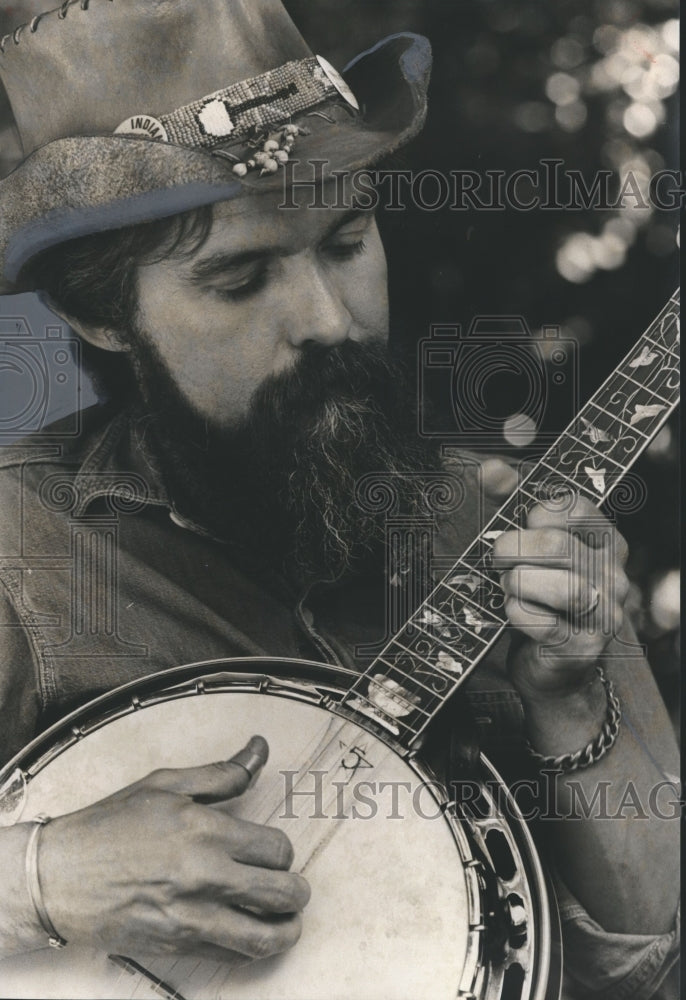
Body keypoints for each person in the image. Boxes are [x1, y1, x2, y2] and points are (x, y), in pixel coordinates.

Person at [0, 2, 679, 997]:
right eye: (240, 279)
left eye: (347, 240)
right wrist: (41, 874)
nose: (326, 319)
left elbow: (651, 961)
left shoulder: (512, 533)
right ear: (102, 316)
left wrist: (572, 701)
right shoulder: (21, 551)